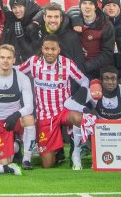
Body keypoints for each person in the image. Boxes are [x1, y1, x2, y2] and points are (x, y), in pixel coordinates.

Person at [17, 34, 89, 169]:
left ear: (58, 50)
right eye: (47, 49)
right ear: (42, 49)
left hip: (63, 110)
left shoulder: (67, 64)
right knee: (48, 165)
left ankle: (76, 154)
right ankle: (55, 150)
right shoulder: (34, 62)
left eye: (53, 49)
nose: (50, 52)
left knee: (79, 118)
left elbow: (85, 80)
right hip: (44, 115)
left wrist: (82, 92)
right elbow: (17, 71)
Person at [64, 68, 121, 169]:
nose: (110, 82)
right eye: (106, 79)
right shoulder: (92, 91)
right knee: (81, 118)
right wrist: (85, 109)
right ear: (101, 80)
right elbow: (68, 104)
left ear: (117, 80)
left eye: (113, 79)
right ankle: (76, 158)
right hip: (101, 133)